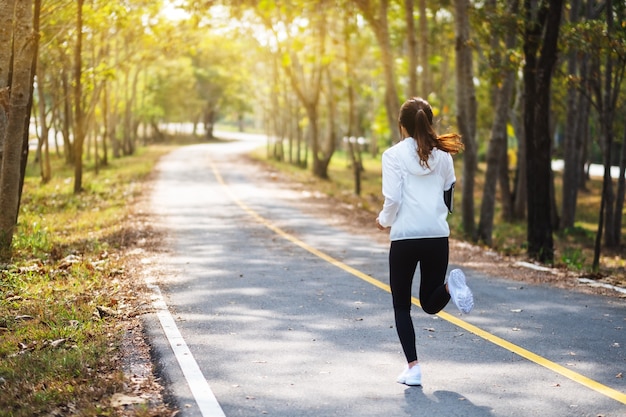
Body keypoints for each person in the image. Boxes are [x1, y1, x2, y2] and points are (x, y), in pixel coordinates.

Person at [376, 97, 474, 387]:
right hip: (436, 236)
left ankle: (414, 368)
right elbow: (449, 195)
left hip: (405, 237)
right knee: (430, 303)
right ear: (428, 122)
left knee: (401, 305)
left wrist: (383, 220)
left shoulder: (392, 155)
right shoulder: (444, 156)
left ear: (402, 126)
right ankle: (449, 286)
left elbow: (392, 198)